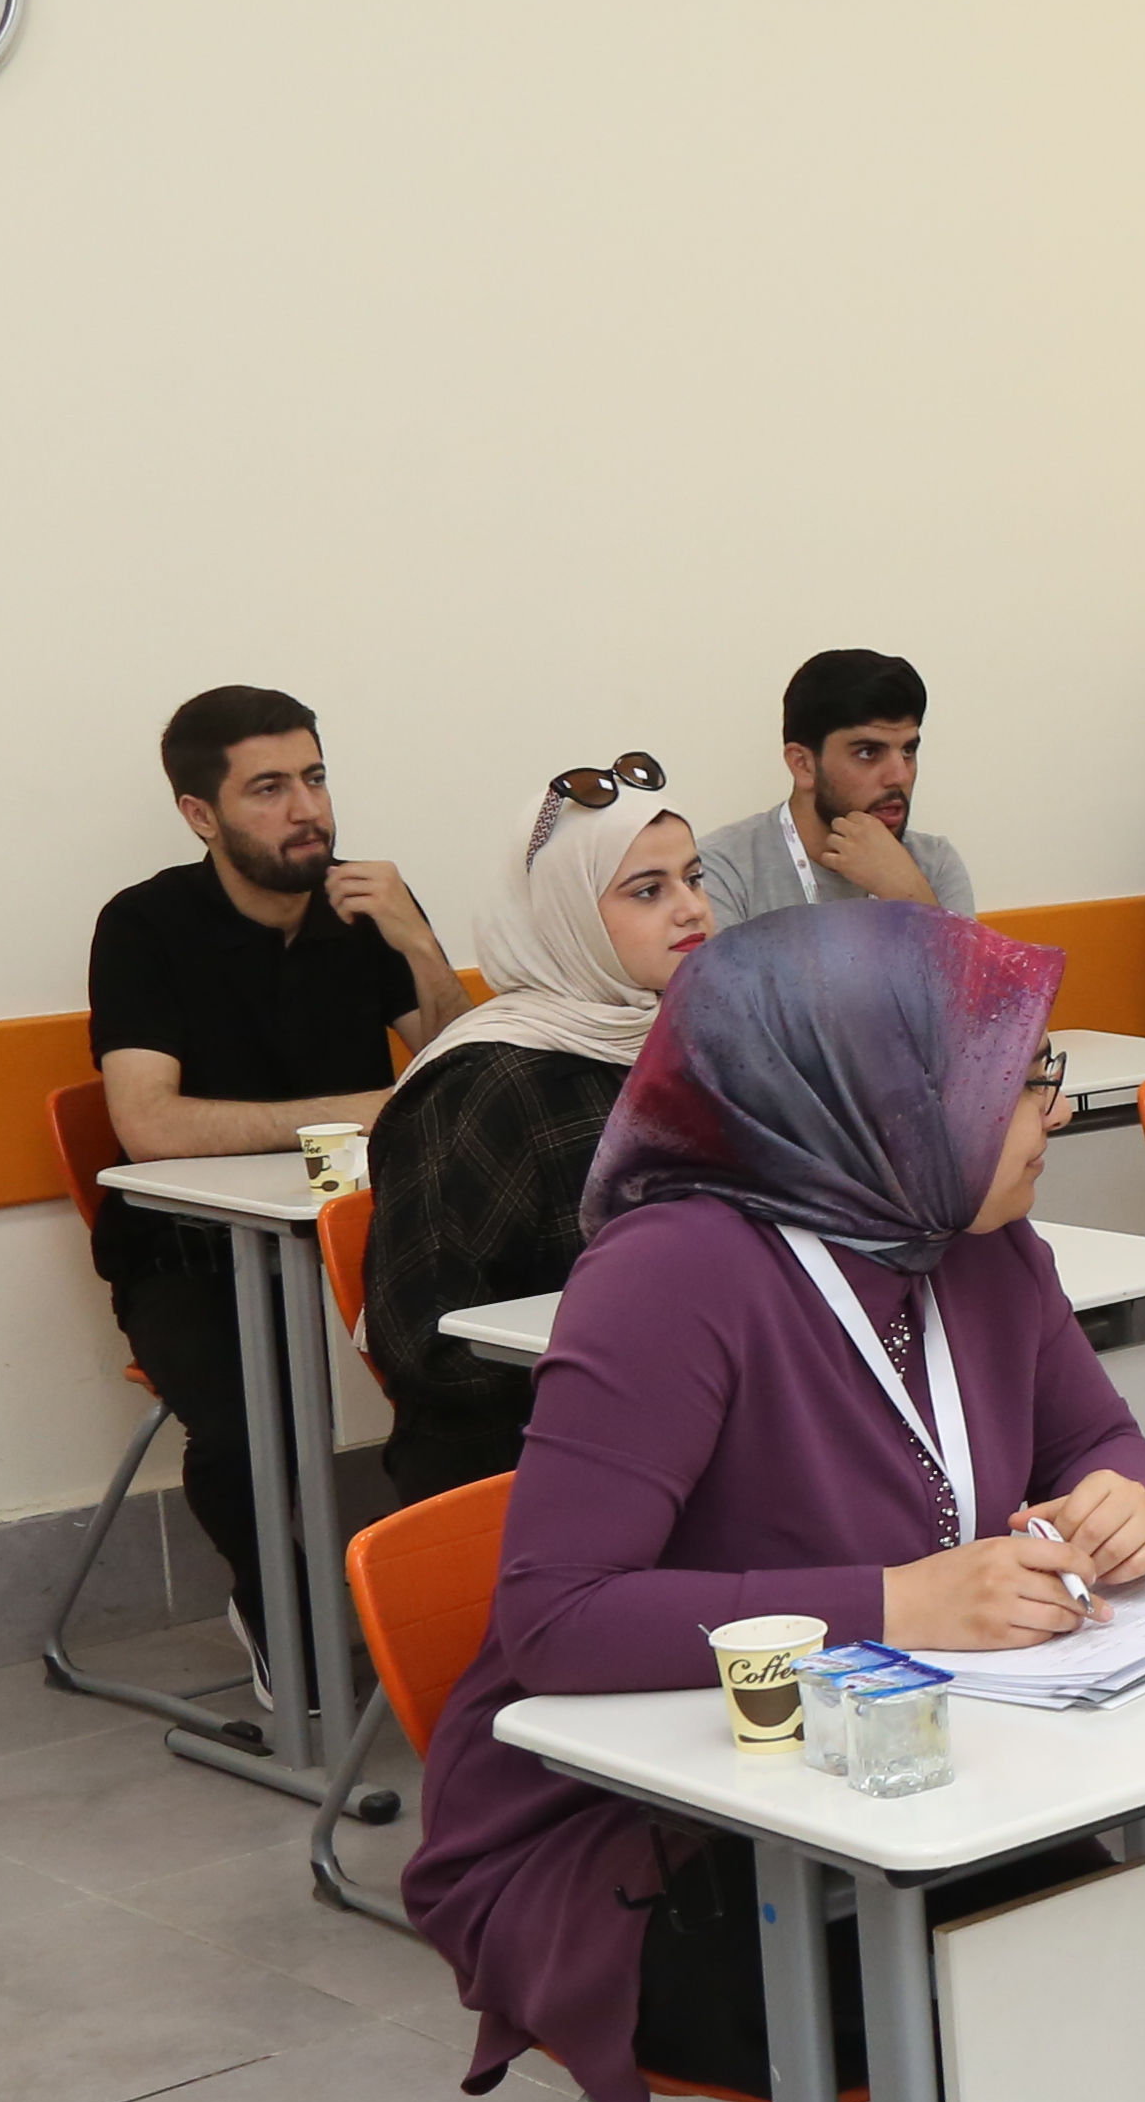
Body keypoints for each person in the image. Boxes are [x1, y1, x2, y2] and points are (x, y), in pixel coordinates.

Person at [400, 900, 1145, 2102]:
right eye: (1021, 1081)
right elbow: (556, 1621)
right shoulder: (675, 1275)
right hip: (655, 1847)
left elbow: (1104, 1437)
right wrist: (895, 1602)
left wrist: (1132, 1500)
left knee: (1103, 1941)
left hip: (924, 1791)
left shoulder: (980, 1247)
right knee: (1065, 1970)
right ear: (887, 1098)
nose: (1052, 1112)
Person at [88, 685, 477, 1602]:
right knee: (243, 1431)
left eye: (315, 778)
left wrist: (418, 944)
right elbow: (148, 1124)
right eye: (268, 789)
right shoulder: (145, 926)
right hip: (189, 1246)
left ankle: (450, 1604)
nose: (307, 810)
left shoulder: (363, 902)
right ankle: (280, 1617)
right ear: (201, 815)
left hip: (366, 1226)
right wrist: (364, 1107)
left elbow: (465, 1071)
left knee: (477, 1385)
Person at [364, 756, 714, 1503]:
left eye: (694, 878)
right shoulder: (486, 1084)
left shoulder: (692, 1043)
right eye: (649, 891)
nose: (691, 909)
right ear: (568, 916)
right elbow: (428, 1345)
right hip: (529, 1460)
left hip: (696, 1423)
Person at [702, 649, 975, 923]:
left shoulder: (934, 863)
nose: (900, 776)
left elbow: (965, 955)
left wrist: (908, 893)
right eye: (868, 752)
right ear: (803, 764)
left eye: (908, 751)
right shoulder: (721, 870)